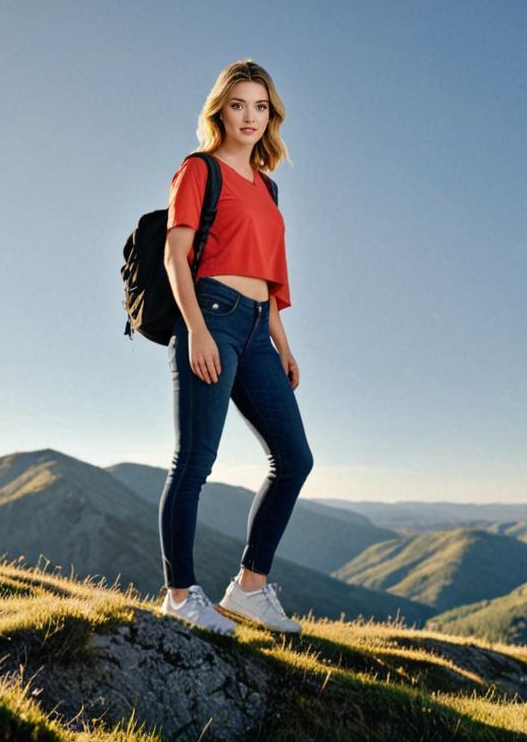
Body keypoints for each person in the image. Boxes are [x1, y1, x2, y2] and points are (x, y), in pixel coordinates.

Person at [158, 59, 313, 636]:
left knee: (294, 458)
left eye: (261, 107)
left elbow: (267, 278)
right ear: (219, 110)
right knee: (194, 462)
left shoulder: (269, 187)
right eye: (239, 104)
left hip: (255, 329)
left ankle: (249, 589)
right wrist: (196, 329)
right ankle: (180, 596)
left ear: (271, 116)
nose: (250, 117)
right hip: (212, 317)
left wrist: (284, 345)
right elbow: (177, 256)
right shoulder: (198, 170)